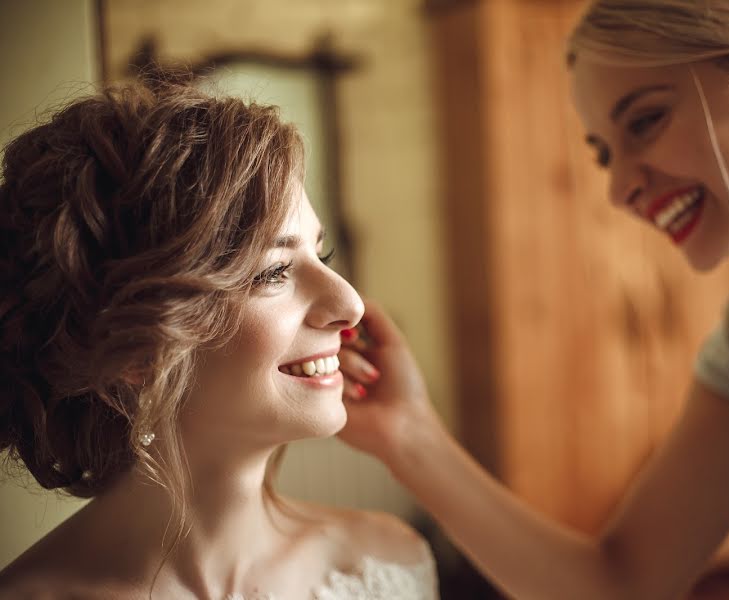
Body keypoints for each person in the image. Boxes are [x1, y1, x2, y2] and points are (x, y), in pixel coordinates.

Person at [335, 1, 729, 598]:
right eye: (604, 153)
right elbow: (620, 583)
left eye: (645, 121)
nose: (620, 188)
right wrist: (408, 435)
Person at [0, 77, 437, 599]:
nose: (350, 305)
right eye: (273, 272)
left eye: (321, 257)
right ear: (136, 350)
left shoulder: (388, 563)